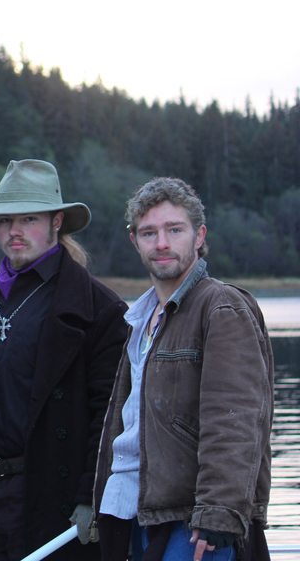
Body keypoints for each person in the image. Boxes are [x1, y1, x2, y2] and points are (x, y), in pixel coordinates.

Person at [0, 159, 128, 560]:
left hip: (55, 502)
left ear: (56, 222)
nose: (14, 230)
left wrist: (91, 495)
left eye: (28, 219)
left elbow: (110, 416)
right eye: (5, 220)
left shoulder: (100, 309)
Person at [93, 178, 273, 561]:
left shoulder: (221, 306)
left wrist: (220, 510)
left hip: (194, 521)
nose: (161, 243)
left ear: (199, 235)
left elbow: (235, 418)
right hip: (133, 508)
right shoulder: (139, 318)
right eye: (149, 233)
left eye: (174, 230)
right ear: (135, 241)